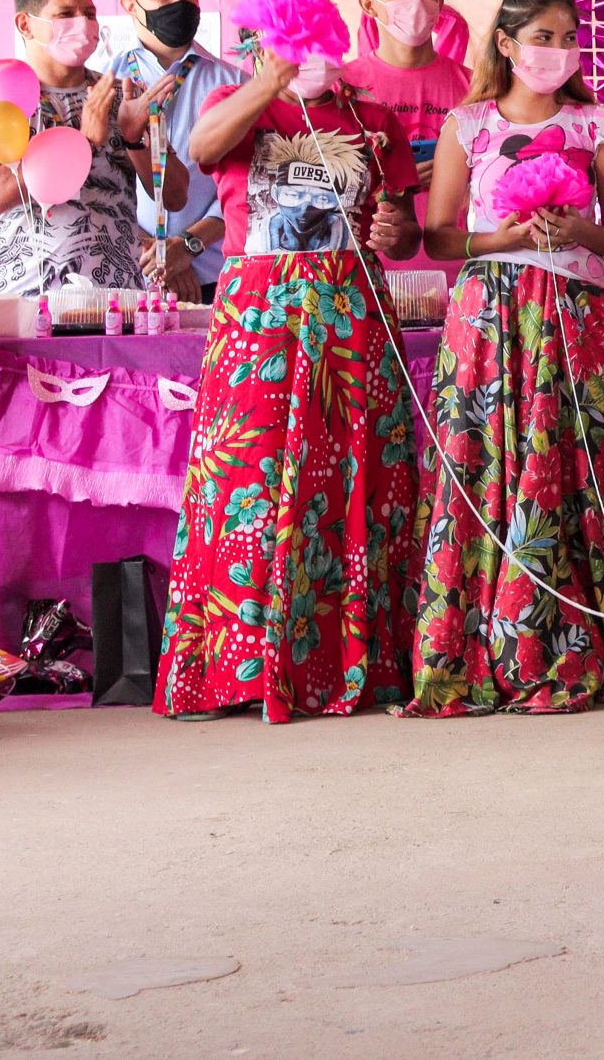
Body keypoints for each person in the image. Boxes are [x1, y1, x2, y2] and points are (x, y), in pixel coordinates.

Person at [402, 0, 604, 716]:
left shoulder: (595, 123)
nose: (557, 50)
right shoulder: (469, 123)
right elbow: (441, 234)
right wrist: (504, 238)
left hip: (577, 310)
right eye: (541, 36)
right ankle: (484, 635)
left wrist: (577, 232)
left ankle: (579, 633)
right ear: (507, 43)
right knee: (486, 463)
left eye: (568, 36)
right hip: (489, 315)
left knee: (578, 468)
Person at [154, 38, 423, 721]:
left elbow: (406, 230)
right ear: (261, 46)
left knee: (352, 473)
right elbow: (204, 146)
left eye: (319, 42)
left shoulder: (373, 118)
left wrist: (394, 232)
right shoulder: (234, 103)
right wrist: (267, 85)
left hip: (350, 306)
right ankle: (237, 666)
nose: (307, 55)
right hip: (259, 313)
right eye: (289, 44)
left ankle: (355, 662)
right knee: (246, 478)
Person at [0, 0, 185, 295]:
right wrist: (80, 143)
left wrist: (134, 139)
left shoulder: (124, 95)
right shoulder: (4, 96)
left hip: (116, 297)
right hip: (22, 297)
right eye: (65, 14)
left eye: (90, 14)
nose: (83, 24)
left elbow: (175, 197)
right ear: (25, 24)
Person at [112, 0, 246, 301]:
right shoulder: (105, 82)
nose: (181, 4)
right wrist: (155, 252)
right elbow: (99, 186)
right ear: (130, 5)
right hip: (125, 275)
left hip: (217, 275)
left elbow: (248, 182)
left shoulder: (235, 84)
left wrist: (189, 246)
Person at [342, 0, 474, 273]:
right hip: (361, 272)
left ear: (439, 3)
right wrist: (400, 177)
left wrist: (459, 175)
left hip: (455, 266)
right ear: (369, 5)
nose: (414, 3)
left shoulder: (475, 88)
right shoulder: (342, 86)